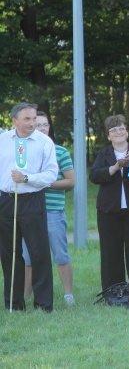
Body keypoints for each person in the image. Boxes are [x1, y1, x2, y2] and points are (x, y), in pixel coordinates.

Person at [0, 102, 58, 312]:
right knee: (9, 252)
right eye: (27, 119)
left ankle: (43, 304)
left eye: (34, 119)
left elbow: (51, 174)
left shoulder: (44, 142)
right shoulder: (3, 140)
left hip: (32, 199)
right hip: (6, 200)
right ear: (14, 120)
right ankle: (14, 304)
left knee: (39, 251)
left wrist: (27, 178)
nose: (32, 123)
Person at [90, 114, 129, 303]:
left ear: (127, 132)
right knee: (110, 253)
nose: (118, 132)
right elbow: (94, 175)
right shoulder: (104, 154)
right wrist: (115, 167)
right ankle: (113, 295)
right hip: (109, 211)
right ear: (108, 135)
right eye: (113, 129)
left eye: (121, 128)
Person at [20, 111, 75, 306]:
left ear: (49, 128)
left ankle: (68, 295)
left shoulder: (59, 151)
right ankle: (26, 296)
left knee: (60, 254)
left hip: (52, 210)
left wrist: (43, 182)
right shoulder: (24, 152)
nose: (40, 128)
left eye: (44, 125)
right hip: (29, 211)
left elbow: (71, 181)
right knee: (27, 256)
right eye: (37, 124)